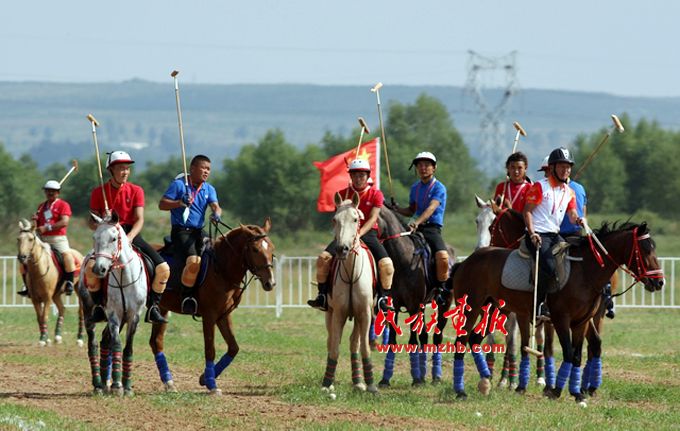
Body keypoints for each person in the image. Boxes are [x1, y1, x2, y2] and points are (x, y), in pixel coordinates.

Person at [88, 151, 170, 324]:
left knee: (163, 268)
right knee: (90, 269)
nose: (125, 172)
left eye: (127, 168)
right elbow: (91, 222)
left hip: (131, 233)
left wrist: (130, 237)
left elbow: (139, 219)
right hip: (108, 237)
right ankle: (99, 306)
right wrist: (104, 222)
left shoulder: (136, 190)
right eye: (120, 168)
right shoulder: (98, 192)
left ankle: (153, 307)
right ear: (111, 170)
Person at [307, 159, 395, 311]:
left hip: (368, 233)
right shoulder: (342, 194)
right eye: (355, 175)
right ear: (350, 176)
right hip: (344, 235)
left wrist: (359, 234)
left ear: (368, 176)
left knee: (386, 264)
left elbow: (373, 218)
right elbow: (338, 219)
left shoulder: (376, 194)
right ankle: (322, 295)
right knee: (323, 259)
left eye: (362, 175)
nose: (358, 178)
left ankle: (382, 298)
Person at [523, 147, 584, 317]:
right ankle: (538, 305)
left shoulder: (570, 192)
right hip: (538, 234)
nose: (566, 170)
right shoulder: (539, 187)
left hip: (555, 235)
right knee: (550, 266)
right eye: (562, 166)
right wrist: (532, 233)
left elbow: (572, 214)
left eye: (568, 167)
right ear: (552, 168)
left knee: (572, 262)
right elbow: (527, 211)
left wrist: (578, 219)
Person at [159, 155, 222, 315]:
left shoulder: (209, 189)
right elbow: (162, 204)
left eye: (208, 169)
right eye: (203, 168)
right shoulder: (179, 185)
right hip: (181, 231)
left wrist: (216, 214)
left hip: (199, 231)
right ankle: (187, 297)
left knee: (217, 256)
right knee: (194, 261)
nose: (206, 171)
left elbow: (216, 206)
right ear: (193, 169)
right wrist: (179, 203)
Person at [393, 151, 450, 305]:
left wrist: (416, 222)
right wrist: (397, 209)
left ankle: (442, 289)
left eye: (426, 165)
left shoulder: (439, 188)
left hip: (432, 229)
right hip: (415, 228)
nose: (423, 168)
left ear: (434, 168)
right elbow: (411, 210)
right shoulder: (415, 188)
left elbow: (431, 208)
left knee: (442, 256)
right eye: (419, 165)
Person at [18, 180, 76, 298]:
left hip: (58, 239)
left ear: (58, 192)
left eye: (53, 191)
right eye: (48, 191)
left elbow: (64, 222)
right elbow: (37, 226)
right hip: (42, 239)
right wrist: (35, 220)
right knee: (25, 258)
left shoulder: (63, 205)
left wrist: (47, 227)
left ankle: (69, 282)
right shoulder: (41, 206)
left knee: (68, 256)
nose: (50, 193)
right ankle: (27, 285)